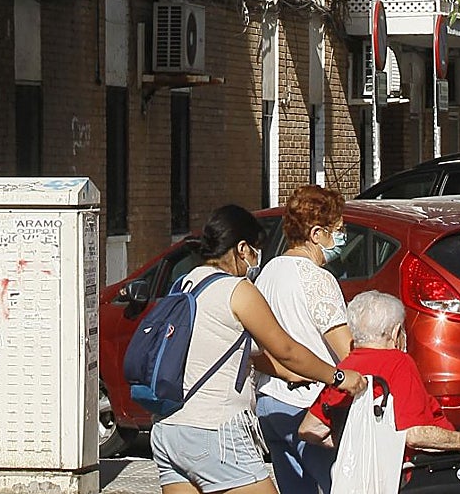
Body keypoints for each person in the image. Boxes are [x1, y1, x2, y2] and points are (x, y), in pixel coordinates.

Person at [150, 204, 366, 494]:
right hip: (215, 431)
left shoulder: (184, 284)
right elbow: (286, 349)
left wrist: (288, 375)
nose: (256, 259)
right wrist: (338, 377)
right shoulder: (237, 290)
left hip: (169, 430)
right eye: (255, 250)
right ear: (242, 248)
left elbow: (246, 354)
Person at [299, 291, 460, 494]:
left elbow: (309, 430)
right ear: (396, 333)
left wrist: (365, 443)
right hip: (416, 471)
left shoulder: (346, 370)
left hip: (378, 475)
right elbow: (414, 435)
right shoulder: (398, 362)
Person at [253, 185, 352, 494]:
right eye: (338, 229)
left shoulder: (268, 272)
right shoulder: (318, 279)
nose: (341, 237)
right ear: (317, 233)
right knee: (341, 485)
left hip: (269, 401)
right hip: (309, 406)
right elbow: (345, 349)